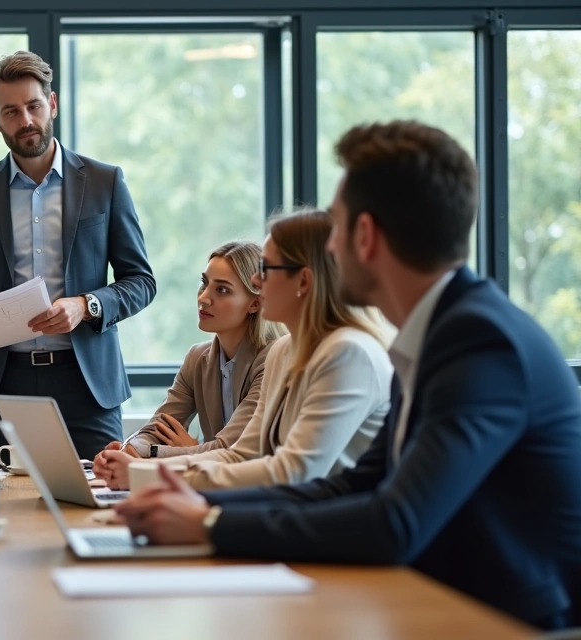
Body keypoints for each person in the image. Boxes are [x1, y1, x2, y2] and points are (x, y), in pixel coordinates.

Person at [115, 121, 581, 629]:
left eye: (334, 227)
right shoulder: (435, 332)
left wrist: (210, 524)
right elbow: (356, 485)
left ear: (364, 236)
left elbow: (395, 522)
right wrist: (196, 502)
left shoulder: (478, 342)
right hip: (441, 597)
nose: (327, 248)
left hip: (504, 620)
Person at [0, 51, 156, 462]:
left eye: (33, 106)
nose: (26, 120)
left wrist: (86, 306)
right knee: (9, 514)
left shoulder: (104, 182)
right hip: (5, 382)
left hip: (87, 382)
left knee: (98, 504)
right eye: (11, 112)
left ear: (51, 104)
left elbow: (141, 281)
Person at [101, 210, 390, 490]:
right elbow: (240, 455)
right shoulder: (283, 351)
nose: (255, 280)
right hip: (291, 516)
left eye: (266, 269)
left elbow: (293, 471)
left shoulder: (349, 353)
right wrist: (136, 469)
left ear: (303, 281)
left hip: (334, 530)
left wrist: (143, 473)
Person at [93, 241, 283, 476]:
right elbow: (156, 427)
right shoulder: (197, 358)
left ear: (255, 303)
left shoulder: (273, 360)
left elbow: (228, 449)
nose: (203, 298)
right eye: (204, 283)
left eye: (222, 290)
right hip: (205, 484)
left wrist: (148, 455)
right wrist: (127, 449)